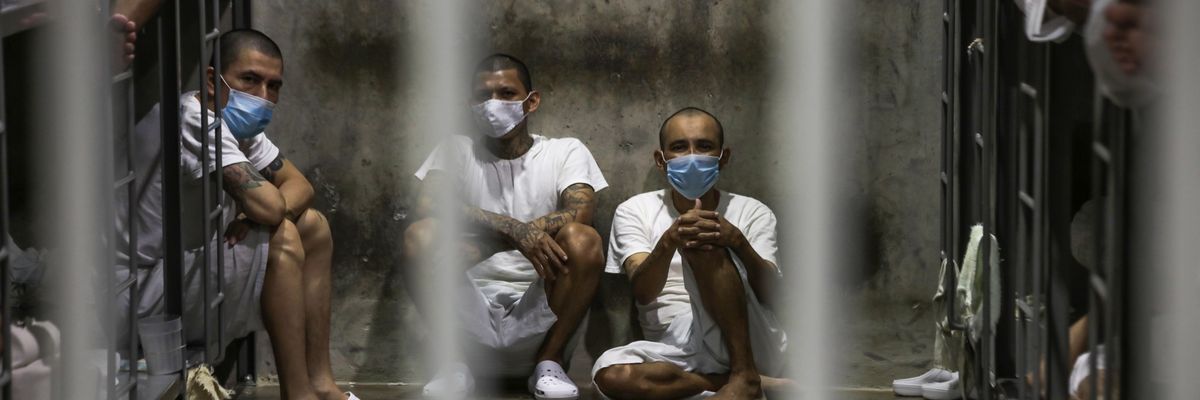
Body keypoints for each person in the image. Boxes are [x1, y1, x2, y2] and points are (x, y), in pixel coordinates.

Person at [116, 29, 357, 400]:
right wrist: (260, 212)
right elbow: (272, 207)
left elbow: (299, 185)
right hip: (132, 292)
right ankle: (299, 395)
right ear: (214, 80)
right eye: (250, 80)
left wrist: (251, 215)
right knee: (285, 234)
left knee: (314, 226)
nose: (263, 96)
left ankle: (322, 384)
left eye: (273, 85)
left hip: (169, 276)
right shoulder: (193, 120)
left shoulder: (233, 122)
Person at [404, 53, 608, 399]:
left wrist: (489, 244)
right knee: (420, 235)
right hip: (468, 310)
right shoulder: (456, 149)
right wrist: (513, 230)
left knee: (584, 240)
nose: (493, 104)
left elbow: (582, 209)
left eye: (506, 93)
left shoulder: (564, 151)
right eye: (483, 95)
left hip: (542, 303)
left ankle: (550, 361)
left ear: (532, 101)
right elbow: (429, 203)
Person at [591, 108, 791, 400]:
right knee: (609, 376)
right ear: (661, 160)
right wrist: (670, 239)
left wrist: (737, 241)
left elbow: (772, 296)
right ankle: (749, 384)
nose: (692, 156)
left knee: (702, 237)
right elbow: (644, 293)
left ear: (723, 157)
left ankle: (744, 371)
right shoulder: (635, 210)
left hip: (747, 337)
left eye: (705, 146)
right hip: (675, 346)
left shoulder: (752, 211)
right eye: (679, 147)